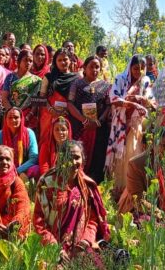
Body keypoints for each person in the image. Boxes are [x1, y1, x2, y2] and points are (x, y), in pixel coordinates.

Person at [34, 141, 111, 266]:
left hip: (79, 244)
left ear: (83, 159)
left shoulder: (86, 185)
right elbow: (38, 220)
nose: (73, 162)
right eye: (68, 158)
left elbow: (92, 219)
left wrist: (86, 240)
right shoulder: (47, 183)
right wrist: (54, 247)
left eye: (77, 157)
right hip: (52, 244)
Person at [118, 127, 165, 227]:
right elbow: (138, 200)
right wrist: (163, 217)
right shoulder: (136, 164)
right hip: (143, 211)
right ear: (153, 144)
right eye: (163, 145)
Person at [106, 54, 154, 200]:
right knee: (120, 156)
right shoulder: (120, 79)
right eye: (135, 68)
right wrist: (133, 103)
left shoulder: (145, 81)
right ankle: (118, 189)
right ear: (129, 67)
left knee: (133, 153)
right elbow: (114, 99)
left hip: (135, 124)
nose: (138, 72)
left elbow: (151, 102)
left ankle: (131, 190)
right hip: (120, 123)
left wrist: (142, 99)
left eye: (142, 68)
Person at [67, 55, 113, 183]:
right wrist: (84, 120)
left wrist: (99, 121)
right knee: (79, 152)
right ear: (85, 68)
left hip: (99, 128)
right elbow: (70, 104)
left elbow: (109, 106)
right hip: (80, 125)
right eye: (91, 66)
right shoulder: (77, 84)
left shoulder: (106, 86)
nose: (94, 69)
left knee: (97, 156)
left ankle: (94, 184)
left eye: (97, 67)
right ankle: (76, 179)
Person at [37, 48, 78, 173]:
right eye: (59, 60)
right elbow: (40, 98)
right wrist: (50, 109)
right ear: (55, 62)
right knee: (47, 143)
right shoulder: (49, 77)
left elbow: (76, 100)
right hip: (48, 116)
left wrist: (67, 110)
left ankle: (65, 171)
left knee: (64, 143)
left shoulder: (76, 78)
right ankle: (46, 171)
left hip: (67, 116)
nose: (63, 62)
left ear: (71, 60)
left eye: (65, 59)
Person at [0, 107, 40, 179]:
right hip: (4, 169)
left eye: (16, 117)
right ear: (5, 119)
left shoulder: (29, 133)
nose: (13, 120)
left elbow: (34, 157)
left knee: (36, 169)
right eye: (10, 118)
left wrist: (17, 171)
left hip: (23, 170)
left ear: (21, 119)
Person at [1, 49, 41, 128]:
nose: (28, 63)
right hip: (11, 116)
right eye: (25, 60)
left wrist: (29, 116)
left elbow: (37, 102)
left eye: (30, 61)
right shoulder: (10, 77)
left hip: (28, 118)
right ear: (19, 61)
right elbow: (4, 98)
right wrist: (12, 113)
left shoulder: (37, 80)